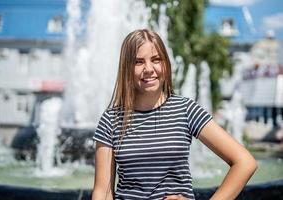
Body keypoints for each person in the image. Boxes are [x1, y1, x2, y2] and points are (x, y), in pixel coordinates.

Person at [92, 29, 257, 200]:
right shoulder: (111, 119)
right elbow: (103, 192)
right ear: (126, 68)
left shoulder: (186, 110)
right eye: (138, 62)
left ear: (165, 63)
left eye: (155, 60)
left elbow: (245, 162)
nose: (148, 69)